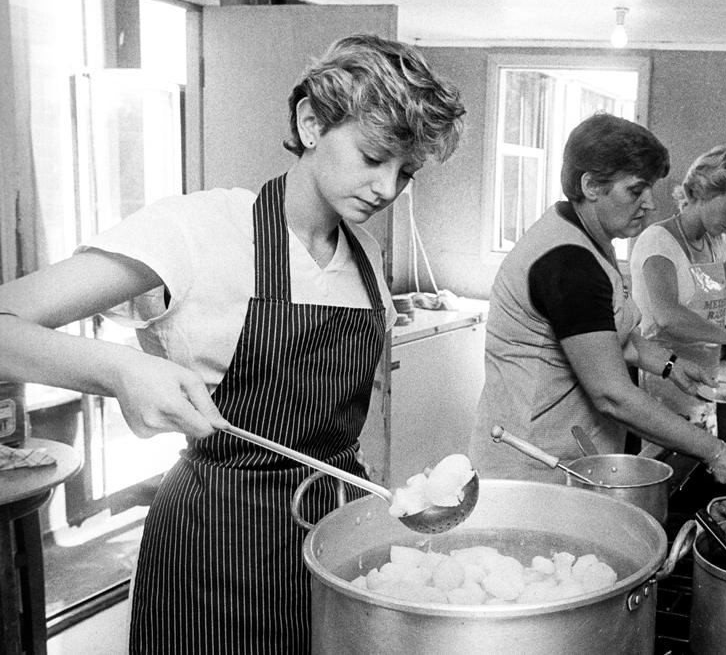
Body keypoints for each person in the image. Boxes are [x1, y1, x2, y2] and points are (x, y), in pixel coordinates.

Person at [0, 34, 465, 653]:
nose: (386, 188)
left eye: (404, 172)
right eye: (374, 155)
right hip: (213, 548)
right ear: (310, 122)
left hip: (332, 536)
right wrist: (118, 371)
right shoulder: (198, 230)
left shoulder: (368, 257)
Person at [468, 113, 726, 491]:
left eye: (650, 188)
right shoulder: (569, 263)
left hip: (565, 459)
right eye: (636, 190)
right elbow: (612, 396)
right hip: (531, 470)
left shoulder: (584, 235)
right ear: (590, 185)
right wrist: (714, 451)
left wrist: (668, 363)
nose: (650, 204)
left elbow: (605, 333)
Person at [629, 144, 726, 421]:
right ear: (702, 190)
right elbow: (668, 317)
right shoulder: (657, 241)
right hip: (660, 382)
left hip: (702, 381)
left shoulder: (718, 243)